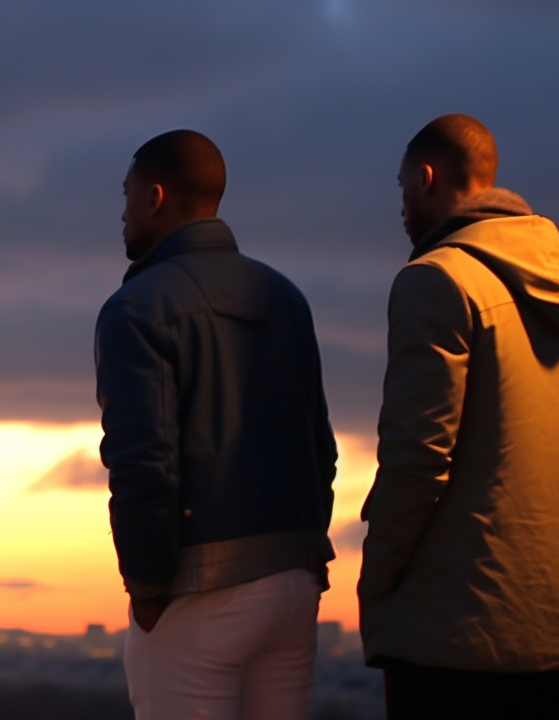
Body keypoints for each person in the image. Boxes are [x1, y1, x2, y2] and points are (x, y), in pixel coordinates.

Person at [358, 114, 559, 719]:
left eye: (402, 187)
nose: (401, 207)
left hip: (450, 626)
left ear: (425, 178)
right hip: (552, 623)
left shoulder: (434, 281)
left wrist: (377, 578)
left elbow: (417, 458)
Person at [96, 129, 338, 720]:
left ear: (155, 197)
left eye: (126, 196)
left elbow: (143, 461)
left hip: (198, 588)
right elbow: (321, 447)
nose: (120, 213)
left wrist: (149, 586)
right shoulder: (287, 297)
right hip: (291, 579)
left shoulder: (135, 308)